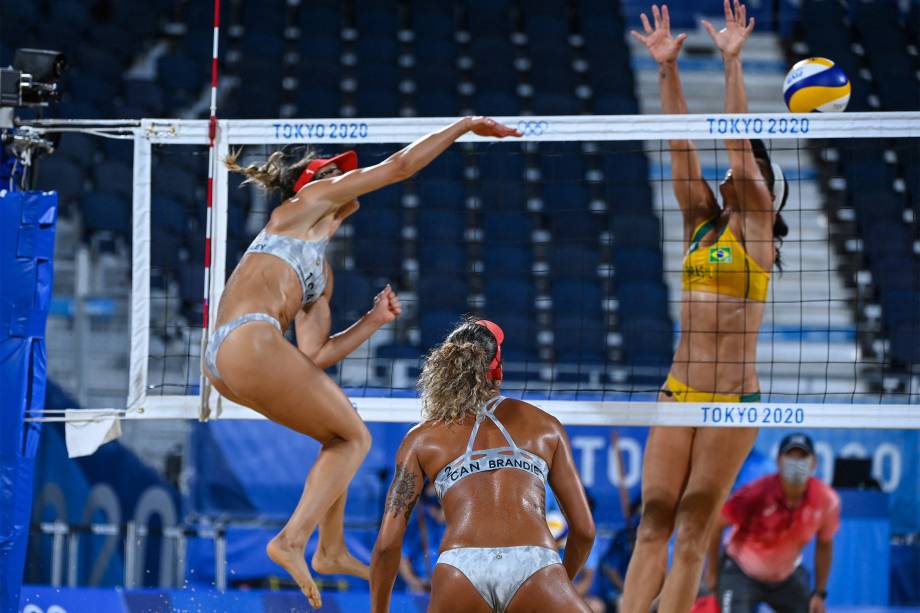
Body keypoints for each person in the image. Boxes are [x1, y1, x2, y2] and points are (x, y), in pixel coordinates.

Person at [202, 117, 521, 607]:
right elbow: (400, 166)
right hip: (247, 340)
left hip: (234, 360)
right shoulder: (304, 204)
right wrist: (464, 125)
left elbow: (312, 356)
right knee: (356, 437)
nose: (345, 177)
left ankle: (329, 550)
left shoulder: (320, 273)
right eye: (333, 170)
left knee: (339, 434)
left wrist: (372, 322)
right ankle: (291, 541)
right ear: (316, 180)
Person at [623, 3, 791, 611]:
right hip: (678, 392)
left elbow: (739, 147)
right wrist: (667, 70)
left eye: (748, 173)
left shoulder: (757, 232)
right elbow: (678, 146)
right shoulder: (703, 223)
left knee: (693, 534)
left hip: (731, 404)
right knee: (652, 526)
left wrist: (732, 61)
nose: (734, 173)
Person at [370, 318, 596, 613]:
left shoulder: (421, 438)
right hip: (534, 562)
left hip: (461, 565)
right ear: (498, 371)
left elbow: (387, 544)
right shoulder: (546, 426)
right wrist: (555, 581)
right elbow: (585, 531)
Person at [704, 434, 840, 613]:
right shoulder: (755, 493)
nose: (796, 462)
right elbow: (716, 525)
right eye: (791, 456)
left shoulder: (826, 500)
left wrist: (819, 593)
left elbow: (824, 545)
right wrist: (712, 573)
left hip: (786, 575)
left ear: (814, 463)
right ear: (778, 461)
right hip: (741, 571)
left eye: (802, 457)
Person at [398, 484, 446, 594]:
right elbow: (403, 558)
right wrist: (414, 582)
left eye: (442, 501)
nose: (437, 508)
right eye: (432, 502)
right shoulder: (419, 525)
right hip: (423, 586)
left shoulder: (463, 525)